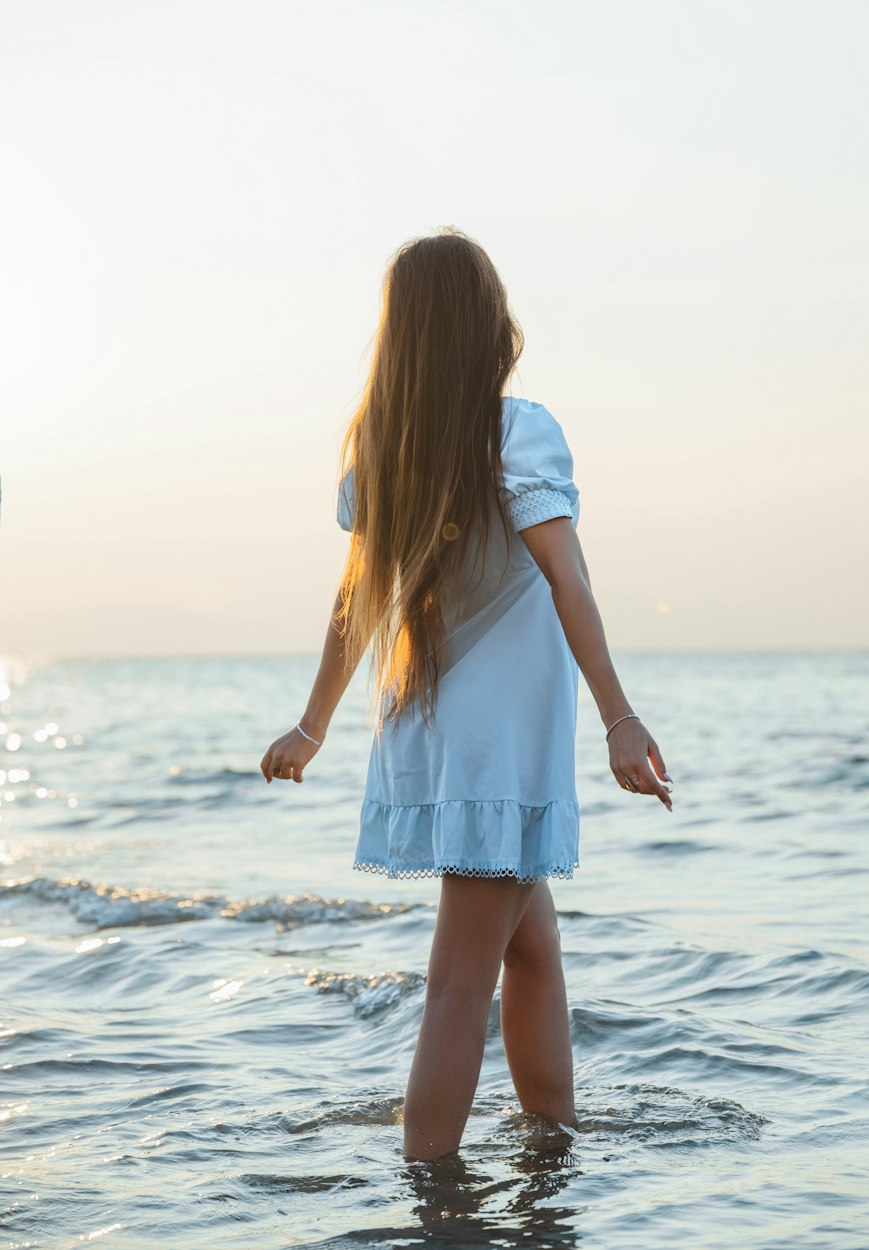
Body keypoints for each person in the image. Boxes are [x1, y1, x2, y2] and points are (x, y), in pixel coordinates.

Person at [260, 227, 673, 1162]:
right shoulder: (518, 431)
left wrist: (312, 724)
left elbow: (350, 603)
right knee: (458, 983)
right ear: (487, 323)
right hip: (501, 745)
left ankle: (549, 1148)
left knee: (529, 953)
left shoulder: (385, 451)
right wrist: (619, 716)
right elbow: (569, 581)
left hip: (447, 737)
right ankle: (431, 1191)